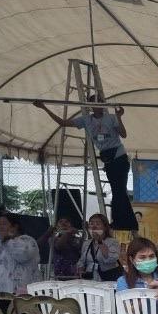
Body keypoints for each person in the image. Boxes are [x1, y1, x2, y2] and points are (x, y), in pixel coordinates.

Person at [33, 94, 135, 230]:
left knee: (119, 191)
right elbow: (63, 123)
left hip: (118, 156)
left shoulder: (111, 118)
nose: (98, 106)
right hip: (108, 159)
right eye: (94, 103)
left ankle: (124, 222)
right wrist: (44, 108)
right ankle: (124, 222)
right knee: (117, 191)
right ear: (90, 106)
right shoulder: (86, 120)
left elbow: (123, 134)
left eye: (100, 103)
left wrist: (119, 117)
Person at [79, 213, 123, 281]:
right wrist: (80, 269)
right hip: (89, 279)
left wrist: (99, 241)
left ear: (105, 227)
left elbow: (111, 259)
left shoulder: (112, 242)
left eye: (98, 224)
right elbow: (82, 261)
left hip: (107, 279)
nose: (94, 227)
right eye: (91, 224)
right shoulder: (86, 243)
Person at [41, 215, 82, 280]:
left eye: (67, 222)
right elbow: (59, 246)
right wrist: (67, 233)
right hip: (59, 276)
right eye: (60, 222)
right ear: (57, 226)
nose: (63, 224)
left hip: (76, 276)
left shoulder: (77, 239)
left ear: (71, 226)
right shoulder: (53, 238)